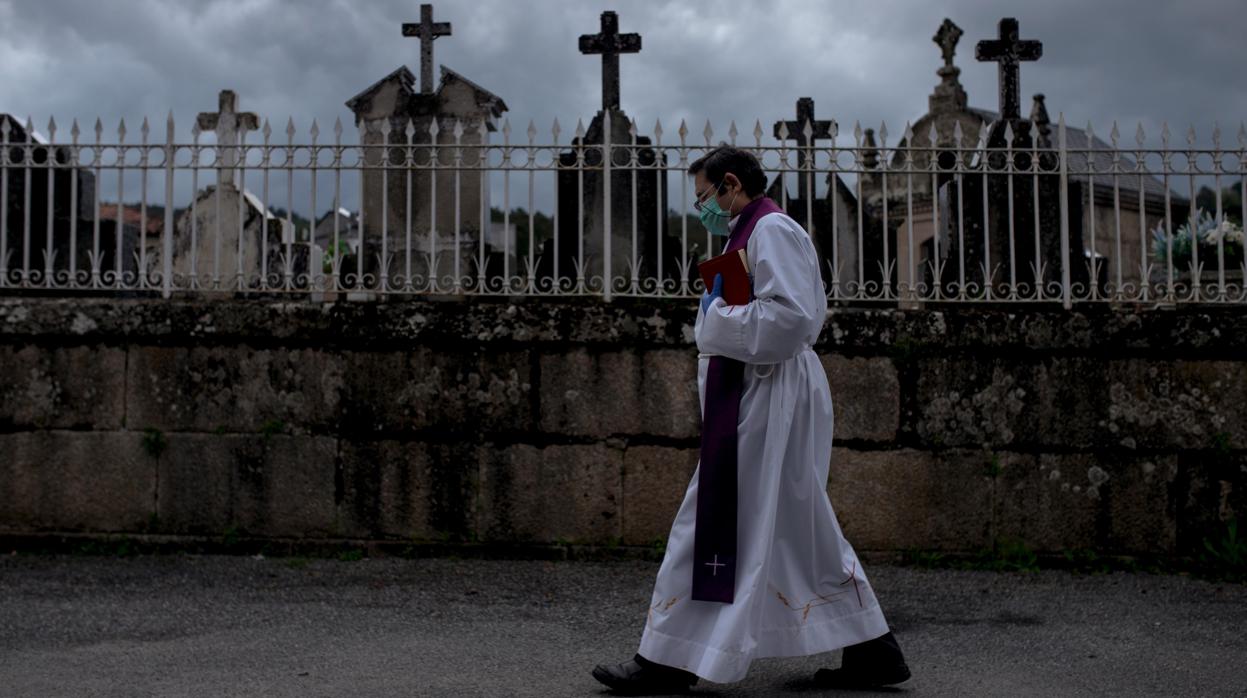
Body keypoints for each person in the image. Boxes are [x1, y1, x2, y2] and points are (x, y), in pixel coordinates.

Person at [592, 146, 910, 694]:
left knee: (709, 514)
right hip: (758, 392)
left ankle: (666, 661)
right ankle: (870, 648)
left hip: (770, 393)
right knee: (796, 523)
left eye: (703, 197)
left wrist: (714, 319)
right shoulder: (746, 230)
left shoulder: (772, 230)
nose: (702, 210)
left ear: (730, 184)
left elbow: (792, 319)